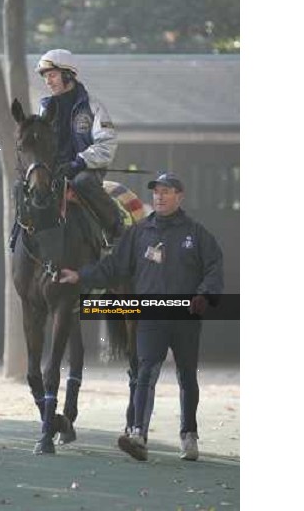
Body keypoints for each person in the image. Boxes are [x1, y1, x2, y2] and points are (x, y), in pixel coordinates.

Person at [60, 172, 223, 461]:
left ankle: (189, 435)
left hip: (185, 318)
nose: (159, 196)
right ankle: (138, 434)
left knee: (187, 377)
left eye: (166, 191)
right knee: (145, 372)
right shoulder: (139, 232)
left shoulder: (196, 233)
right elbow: (114, 266)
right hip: (150, 317)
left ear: (179, 197)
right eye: (156, 192)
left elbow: (214, 266)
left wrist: (205, 294)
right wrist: (80, 276)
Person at [11, 49, 122, 249]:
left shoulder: (94, 107)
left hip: (85, 170)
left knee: (83, 182)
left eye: (52, 75)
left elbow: (107, 144)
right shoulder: (44, 109)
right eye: (45, 77)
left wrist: (78, 162)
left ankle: (117, 233)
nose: (48, 81)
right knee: (21, 187)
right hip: (52, 171)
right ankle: (16, 237)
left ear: (68, 74)